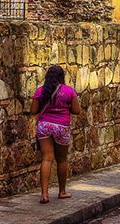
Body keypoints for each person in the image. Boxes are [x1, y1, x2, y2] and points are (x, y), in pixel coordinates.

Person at [30, 64, 81, 204]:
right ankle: (62, 191)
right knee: (62, 159)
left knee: (47, 158)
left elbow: (33, 110)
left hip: (44, 126)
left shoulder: (40, 91)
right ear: (61, 77)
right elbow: (77, 110)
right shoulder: (69, 91)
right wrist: (66, 106)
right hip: (61, 127)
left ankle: (44, 194)